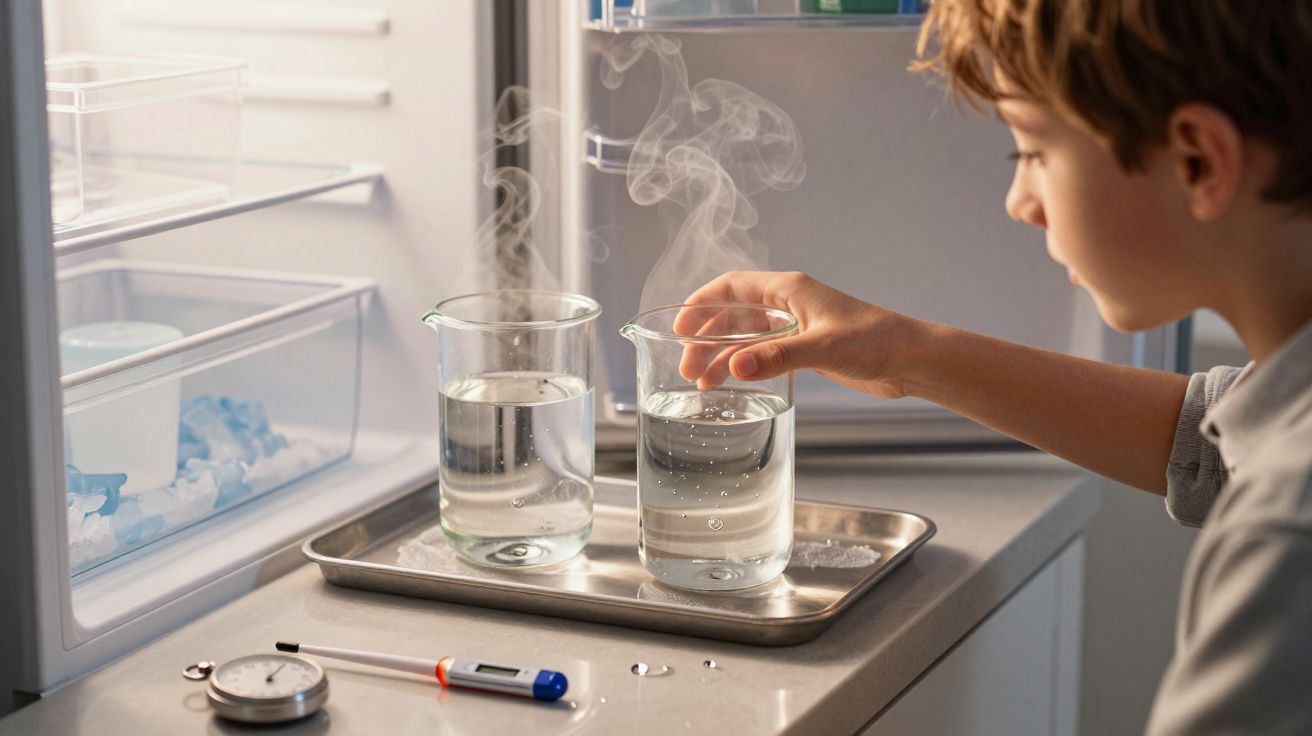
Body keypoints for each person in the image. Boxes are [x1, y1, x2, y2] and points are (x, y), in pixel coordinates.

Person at [676, 1, 1312, 733]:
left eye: (1034, 153)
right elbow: (1219, 439)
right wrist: (904, 353)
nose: (1021, 203)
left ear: (1199, 159)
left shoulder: (1286, 540)